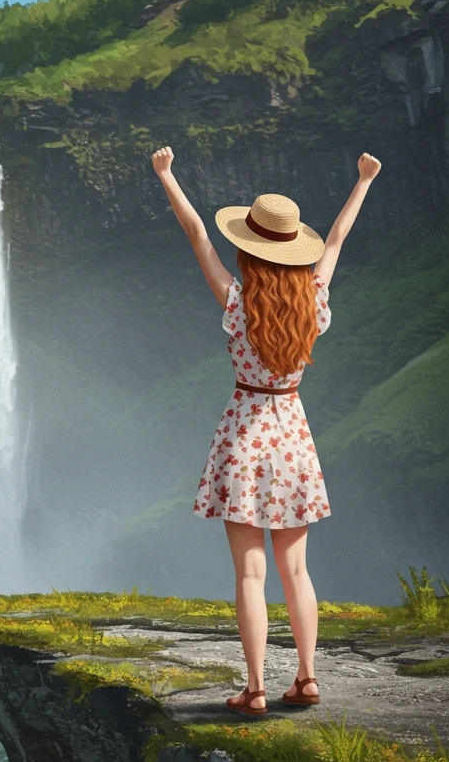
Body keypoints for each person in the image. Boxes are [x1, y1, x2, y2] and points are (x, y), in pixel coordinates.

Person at [151, 146, 382, 716]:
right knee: (296, 569)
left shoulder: (237, 302)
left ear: (250, 249)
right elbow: (335, 242)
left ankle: (254, 689)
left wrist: (167, 176)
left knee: (250, 574)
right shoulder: (314, 303)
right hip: (293, 435)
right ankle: (307, 679)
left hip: (244, 435)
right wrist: (363, 182)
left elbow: (196, 234)